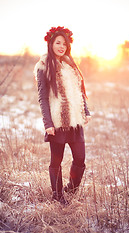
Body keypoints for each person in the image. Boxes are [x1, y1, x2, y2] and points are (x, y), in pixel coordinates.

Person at [34, 26, 91, 205]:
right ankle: (57, 195)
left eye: (64, 44)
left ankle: (71, 189)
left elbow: (79, 92)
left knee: (80, 158)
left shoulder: (71, 65)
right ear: (50, 44)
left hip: (75, 121)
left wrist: (86, 111)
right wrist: (48, 123)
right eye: (58, 43)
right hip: (57, 122)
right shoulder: (43, 67)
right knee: (56, 161)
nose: (61, 46)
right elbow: (43, 98)